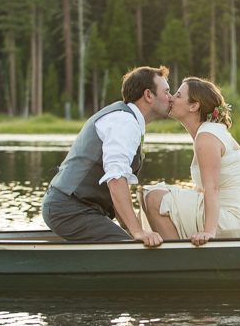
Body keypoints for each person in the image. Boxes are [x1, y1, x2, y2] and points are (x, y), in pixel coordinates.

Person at [41, 65, 171, 246]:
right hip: (69, 209)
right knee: (131, 251)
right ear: (148, 95)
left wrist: (128, 228)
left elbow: (117, 187)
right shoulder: (124, 122)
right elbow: (116, 179)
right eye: (167, 92)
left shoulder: (127, 119)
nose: (171, 98)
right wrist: (137, 231)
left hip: (77, 208)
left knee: (131, 242)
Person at [143, 77, 240, 246]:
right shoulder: (207, 133)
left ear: (194, 106)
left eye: (178, 95)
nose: (171, 98)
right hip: (235, 217)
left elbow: (211, 188)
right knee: (157, 194)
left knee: (154, 197)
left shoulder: (207, 137)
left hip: (236, 221)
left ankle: (178, 262)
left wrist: (209, 232)